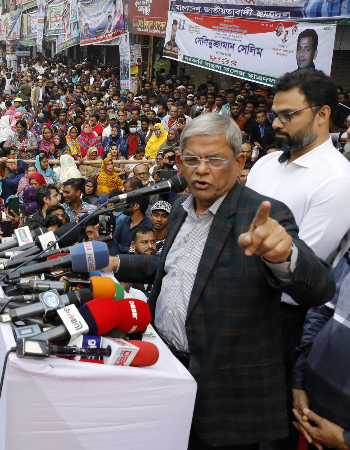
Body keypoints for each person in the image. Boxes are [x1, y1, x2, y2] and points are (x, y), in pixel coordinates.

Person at [104, 112, 335, 449]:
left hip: (223, 395)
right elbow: (172, 269)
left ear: (239, 159)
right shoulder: (182, 205)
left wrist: (284, 257)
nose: (200, 169)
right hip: (164, 365)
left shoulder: (262, 216)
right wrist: (116, 262)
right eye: (192, 159)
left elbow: (320, 288)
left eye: (214, 159)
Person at [246, 69, 350, 450]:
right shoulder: (265, 164)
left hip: (282, 322)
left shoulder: (337, 181)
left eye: (289, 115)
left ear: (323, 114)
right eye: (275, 113)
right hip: (238, 305)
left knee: (268, 434)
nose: (276, 123)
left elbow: (304, 268)